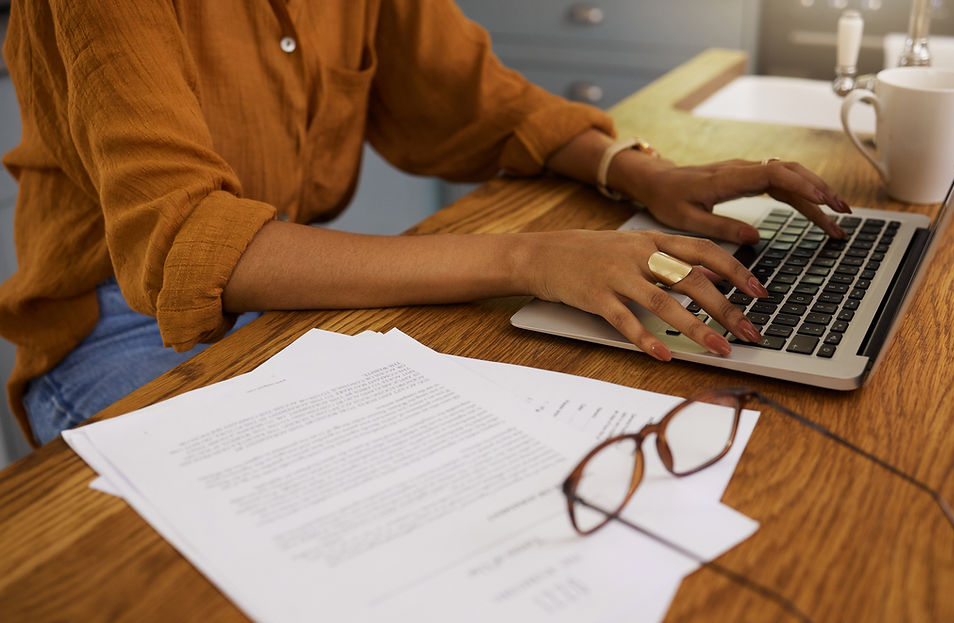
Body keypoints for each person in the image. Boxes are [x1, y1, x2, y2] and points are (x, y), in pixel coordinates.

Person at [0, 1, 850, 447]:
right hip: (116, 320)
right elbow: (194, 238)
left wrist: (642, 172)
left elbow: (472, 97)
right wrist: (531, 257)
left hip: (283, 301)